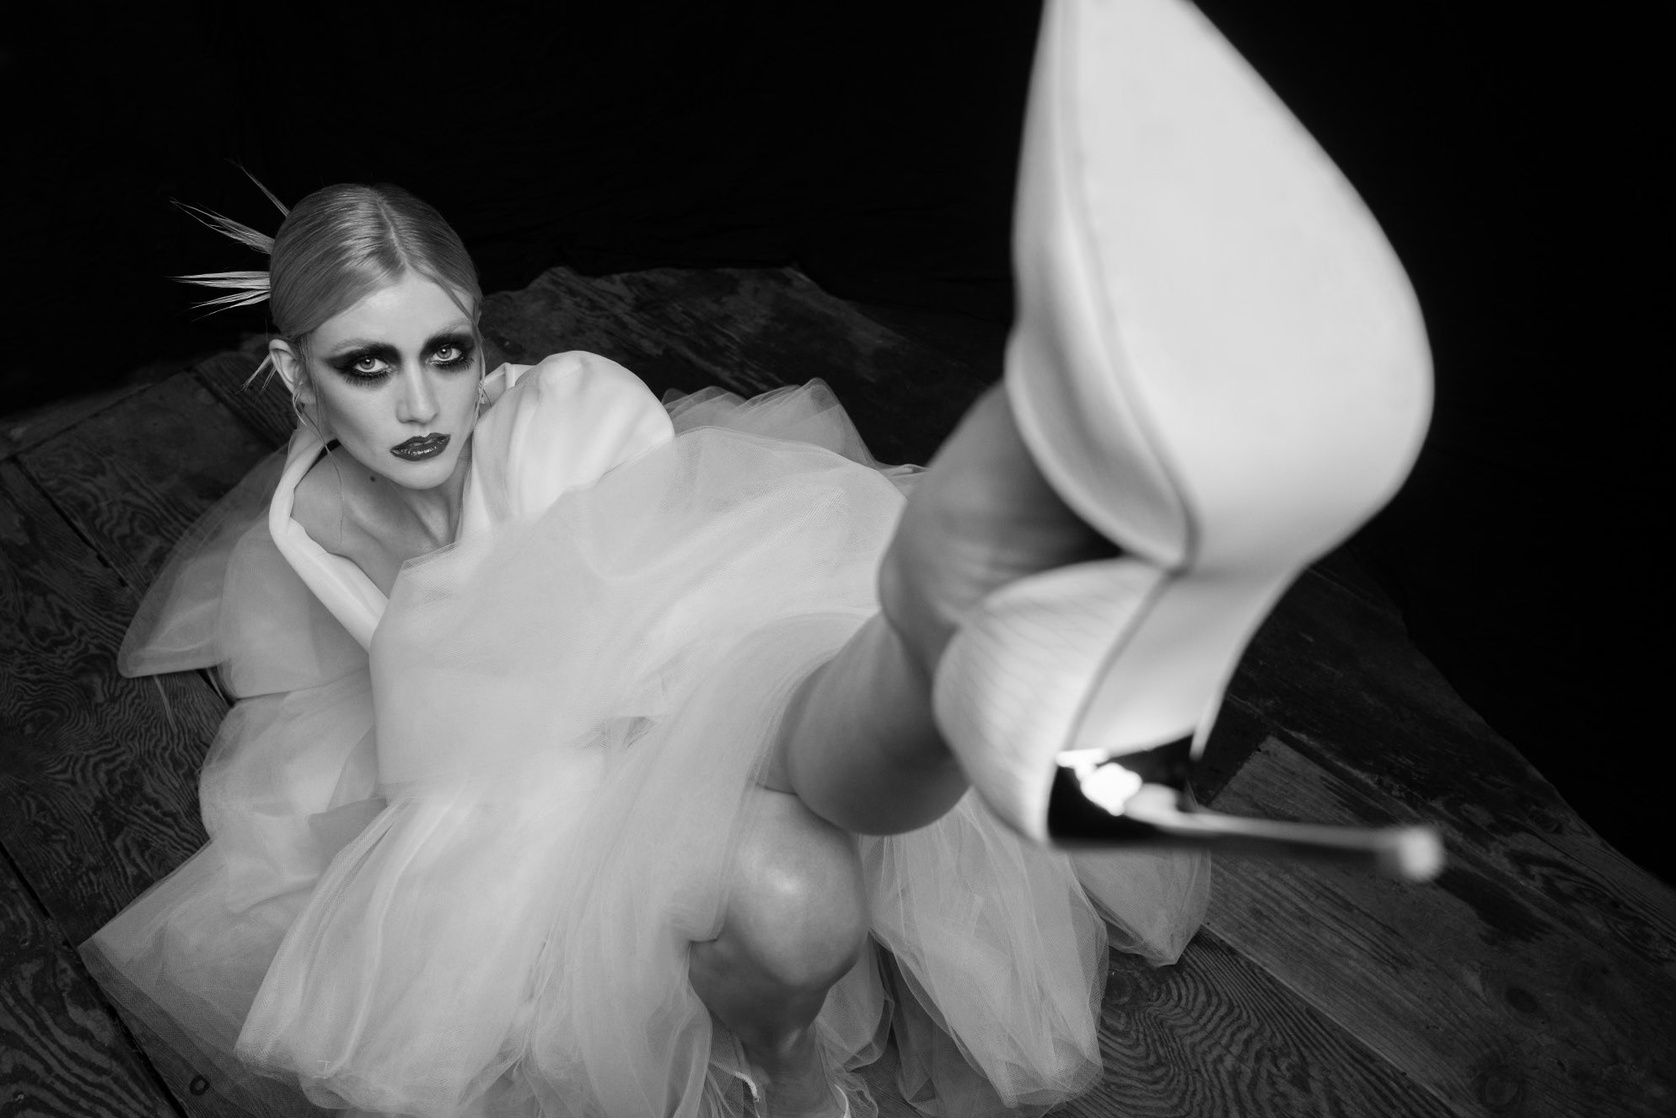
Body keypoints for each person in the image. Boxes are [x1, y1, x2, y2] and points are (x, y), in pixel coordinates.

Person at [82, 2, 1433, 1116]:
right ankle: (794, 1034)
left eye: (448, 350)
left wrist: (668, 736)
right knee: (795, 897)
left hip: (686, 659)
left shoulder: (565, 414)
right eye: (367, 368)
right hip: (512, 753)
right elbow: (432, 724)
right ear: (295, 378)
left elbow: (685, 609)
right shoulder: (307, 527)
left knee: (787, 721)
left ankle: (947, 631)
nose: (424, 404)